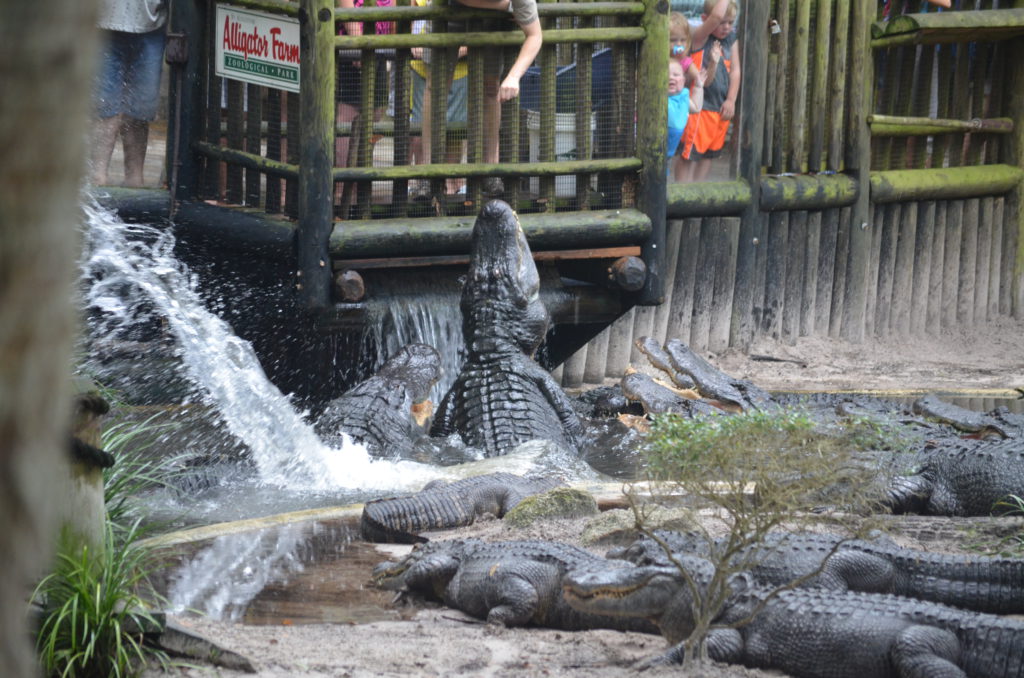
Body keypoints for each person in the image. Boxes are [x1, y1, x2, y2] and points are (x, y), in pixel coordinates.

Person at [423, 0, 542, 197]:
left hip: (493, 23)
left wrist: (514, 76)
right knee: (435, 87)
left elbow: (535, 35)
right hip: (447, 10)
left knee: (491, 88)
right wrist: (504, 5)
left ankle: (490, 170)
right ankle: (426, 173)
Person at [91, 0, 167, 187]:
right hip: (103, 24)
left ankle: (135, 178)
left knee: (140, 109)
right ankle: (97, 176)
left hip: (152, 25)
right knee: (105, 108)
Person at [408, 0, 469, 197]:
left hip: (460, 70)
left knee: (454, 130)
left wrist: (464, 48)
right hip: (425, 68)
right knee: (420, 125)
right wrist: (415, 42)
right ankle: (425, 177)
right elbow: (414, 18)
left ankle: (451, 181)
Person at [335, 0, 393, 205]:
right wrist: (357, 41)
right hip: (351, 47)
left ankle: (360, 182)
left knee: (375, 112)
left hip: (378, 44)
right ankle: (342, 189)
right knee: (348, 115)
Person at [677, 0, 739, 184]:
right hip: (699, 108)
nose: (726, 26)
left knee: (709, 155)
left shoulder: (731, 40)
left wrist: (731, 100)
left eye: (731, 22)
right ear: (706, 19)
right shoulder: (699, 37)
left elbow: (735, 71)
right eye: (722, 22)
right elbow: (717, 15)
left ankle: (699, 195)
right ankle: (682, 194)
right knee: (689, 154)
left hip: (719, 109)